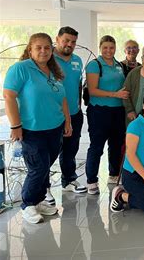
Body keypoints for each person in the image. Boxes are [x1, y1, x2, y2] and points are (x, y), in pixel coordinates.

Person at [3, 33, 72, 224]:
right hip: (32, 129)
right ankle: (28, 204)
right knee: (38, 166)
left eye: (47, 48)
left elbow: (63, 99)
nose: (43, 51)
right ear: (30, 50)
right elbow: (8, 96)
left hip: (54, 128)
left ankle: (40, 199)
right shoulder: (21, 69)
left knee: (45, 165)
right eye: (39, 47)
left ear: (52, 50)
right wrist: (15, 125)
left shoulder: (53, 72)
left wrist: (67, 122)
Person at [85, 35, 129, 195]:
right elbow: (93, 90)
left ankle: (113, 174)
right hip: (99, 111)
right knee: (97, 147)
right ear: (100, 48)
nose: (108, 50)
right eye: (105, 47)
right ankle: (91, 180)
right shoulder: (94, 65)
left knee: (116, 145)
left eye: (111, 47)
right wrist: (115, 95)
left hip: (118, 111)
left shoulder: (119, 65)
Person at [53, 26, 87, 195]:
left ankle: (69, 179)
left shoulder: (77, 60)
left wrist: (79, 107)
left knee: (70, 149)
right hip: (52, 115)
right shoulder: (47, 59)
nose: (69, 44)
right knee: (48, 153)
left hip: (74, 113)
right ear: (57, 39)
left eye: (73, 42)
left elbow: (78, 85)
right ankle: (42, 188)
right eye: (66, 40)